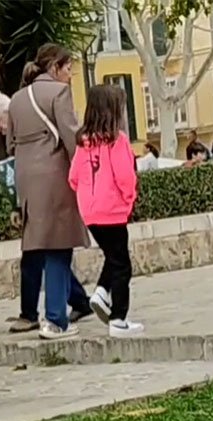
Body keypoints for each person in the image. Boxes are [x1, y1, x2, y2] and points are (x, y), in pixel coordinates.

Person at [8, 45, 94, 340]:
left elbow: (10, 144)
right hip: (55, 177)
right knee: (59, 248)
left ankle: (69, 307)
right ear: (55, 67)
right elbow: (72, 139)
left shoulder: (16, 100)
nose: (70, 76)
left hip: (26, 181)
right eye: (68, 69)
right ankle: (56, 319)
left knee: (44, 247)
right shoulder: (58, 93)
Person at [70, 85, 143, 337]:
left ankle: (101, 292)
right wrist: (129, 198)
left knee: (114, 256)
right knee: (122, 264)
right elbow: (125, 176)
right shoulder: (117, 140)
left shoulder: (83, 142)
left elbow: (73, 177)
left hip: (90, 212)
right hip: (113, 209)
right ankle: (118, 319)